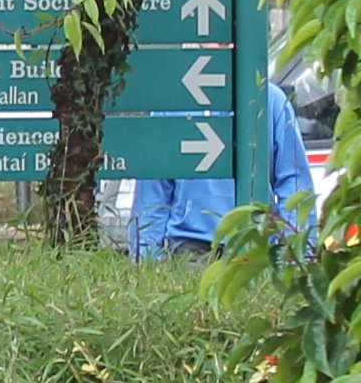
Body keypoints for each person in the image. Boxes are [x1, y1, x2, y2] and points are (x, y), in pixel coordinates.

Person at [125, 80, 315, 259]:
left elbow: (294, 183)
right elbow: (153, 195)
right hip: (189, 248)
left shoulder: (271, 99)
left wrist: (297, 256)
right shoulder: (174, 102)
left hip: (258, 248)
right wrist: (145, 260)